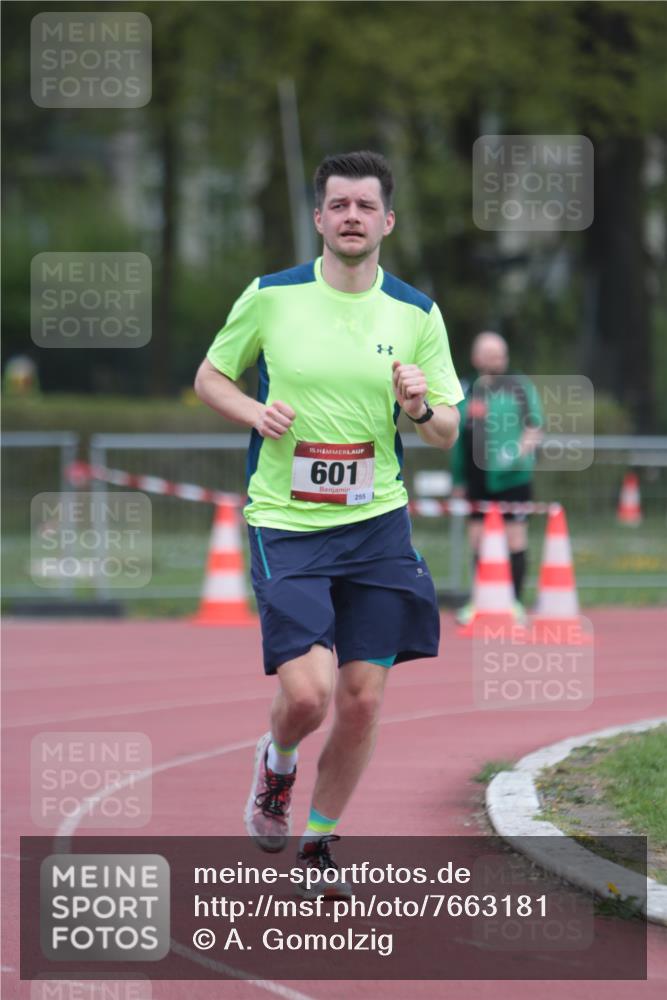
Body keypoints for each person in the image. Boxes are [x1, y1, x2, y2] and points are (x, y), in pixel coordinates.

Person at [194, 150, 462, 893]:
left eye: (364, 206)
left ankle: (316, 843)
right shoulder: (271, 296)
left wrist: (416, 406)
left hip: (377, 524)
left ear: (387, 221)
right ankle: (276, 765)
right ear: (318, 218)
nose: (351, 217)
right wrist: (255, 410)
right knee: (308, 694)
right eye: (337, 205)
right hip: (286, 522)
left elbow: (445, 428)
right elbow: (211, 374)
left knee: (363, 696)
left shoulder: (415, 313)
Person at [451, 332, 543, 624]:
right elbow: (455, 435)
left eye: (501, 354)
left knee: (515, 539)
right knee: (477, 539)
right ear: (477, 358)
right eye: (490, 354)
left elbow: (534, 426)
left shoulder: (519, 387)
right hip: (477, 478)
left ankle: (514, 602)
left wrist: (519, 452)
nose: (497, 359)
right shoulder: (466, 390)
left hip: (513, 477)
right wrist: (457, 479)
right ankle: (479, 601)